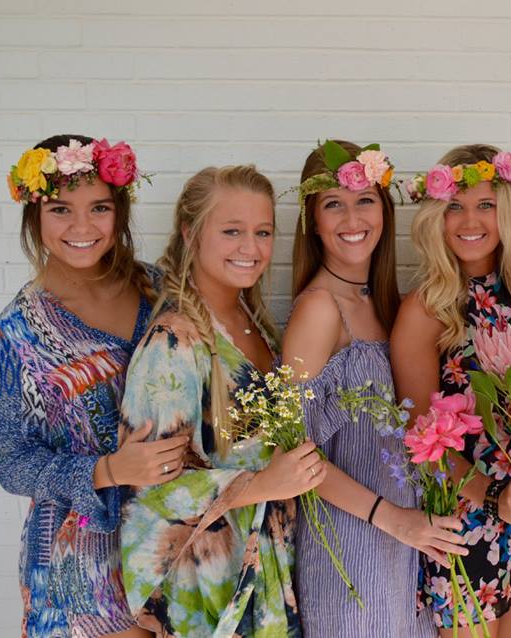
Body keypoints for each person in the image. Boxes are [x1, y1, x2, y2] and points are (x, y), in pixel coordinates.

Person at [117, 165, 325, 637]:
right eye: (232, 231)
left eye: (263, 232)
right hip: (212, 590)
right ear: (191, 233)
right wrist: (261, 484)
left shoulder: (251, 319)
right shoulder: (173, 343)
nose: (250, 249)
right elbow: (153, 487)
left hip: (267, 567)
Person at [0, 134, 170, 637]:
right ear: (34, 216)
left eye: (99, 208)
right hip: (81, 565)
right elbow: (12, 464)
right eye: (61, 209)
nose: (82, 226)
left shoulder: (157, 289)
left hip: (174, 539)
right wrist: (109, 468)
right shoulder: (19, 334)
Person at [282, 139, 457, 637]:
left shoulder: (387, 306)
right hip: (349, 549)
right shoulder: (319, 310)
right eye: (332, 204)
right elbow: (293, 452)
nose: (351, 217)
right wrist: (392, 519)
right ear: (312, 222)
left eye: (364, 200)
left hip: (409, 544)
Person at [391, 144, 511, 637]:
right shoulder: (424, 309)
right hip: (467, 516)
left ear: (507, 213)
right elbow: (422, 440)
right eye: (454, 207)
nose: (468, 221)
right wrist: (492, 495)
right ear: (436, 218)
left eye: (485, 205)